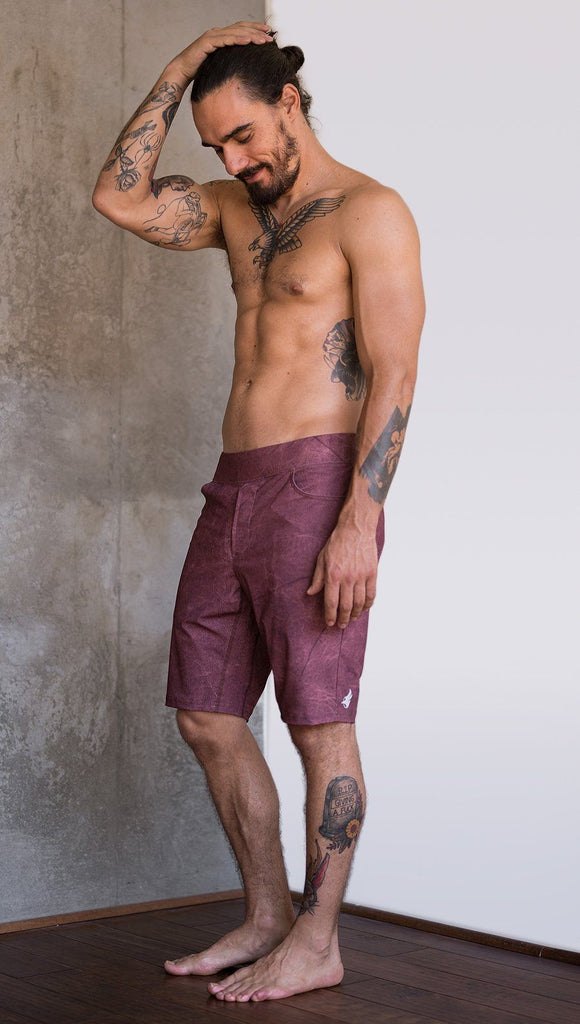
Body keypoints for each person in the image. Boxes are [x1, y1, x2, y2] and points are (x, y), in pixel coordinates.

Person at [92, 20, 425, 1003]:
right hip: (231, 485)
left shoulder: (371, 212)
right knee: (206, 715)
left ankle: (319, 939)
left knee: (319, 725)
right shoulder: (235, 210)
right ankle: (268, 913)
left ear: (289, 101)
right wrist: (176, 71)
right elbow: (118, 197)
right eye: (217, 147)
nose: (234, 161)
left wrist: (358, 522)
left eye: (243, 136)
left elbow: (396, 372)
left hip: (319, 485)